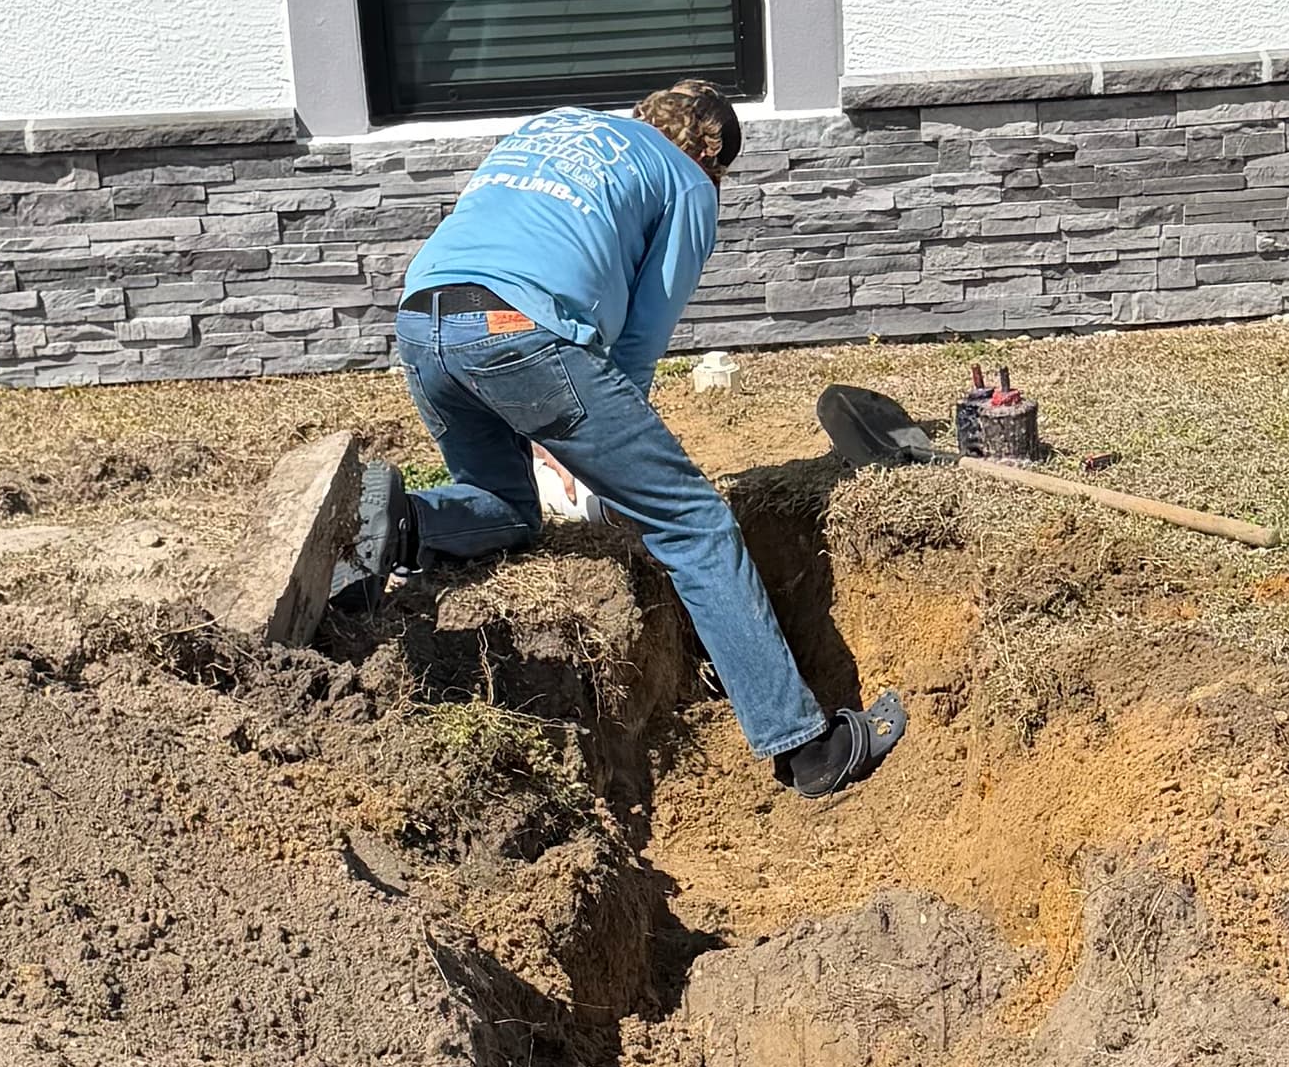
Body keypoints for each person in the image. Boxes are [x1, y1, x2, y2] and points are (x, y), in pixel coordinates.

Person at [361, 83, 908, 804]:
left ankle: (404, 521)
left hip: (424, 318)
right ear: (713, 154)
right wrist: (594, 433)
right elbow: (645, 334)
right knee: (694, 523)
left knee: (507, 508)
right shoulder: (687, 181)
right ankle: (806, 747)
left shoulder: (552, 124)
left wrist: (569, 427)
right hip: (520, 330)